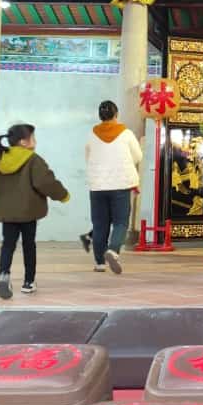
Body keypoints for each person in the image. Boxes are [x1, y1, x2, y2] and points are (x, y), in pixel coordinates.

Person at [0, 123, 70, 300]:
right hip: (28, 211)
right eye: (33, 138)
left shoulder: (1, 159)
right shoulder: (33, 159)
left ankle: (4, 275)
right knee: (29, 245)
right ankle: (28, 282)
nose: (35, 141)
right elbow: (45, 182)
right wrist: (63, 195)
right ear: (23, 142)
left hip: (8, 212)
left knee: (8, 245)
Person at [80, 100, 143, 275]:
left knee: (100, 225)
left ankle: (100, 263)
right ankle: (113, 251)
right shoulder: (126, 134)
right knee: (121, 222)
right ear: (116, 114)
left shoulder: (92, 134)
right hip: (120, 185)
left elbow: (88, 157)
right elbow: (138, 156)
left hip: (97, 186)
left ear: (100, 116)